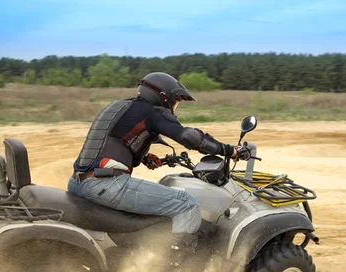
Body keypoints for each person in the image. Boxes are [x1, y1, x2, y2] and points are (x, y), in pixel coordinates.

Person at [68, 72, 249, 257]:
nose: (174, 107)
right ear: (163, 97)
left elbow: (116, 140)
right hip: (105, 185)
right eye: (176, 101)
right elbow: (189, 137)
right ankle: (177, 266)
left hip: (78, 182)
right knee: (186, 204)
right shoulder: (152, 111)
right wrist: (229, 150)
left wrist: (145, 157)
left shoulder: (120, 106)